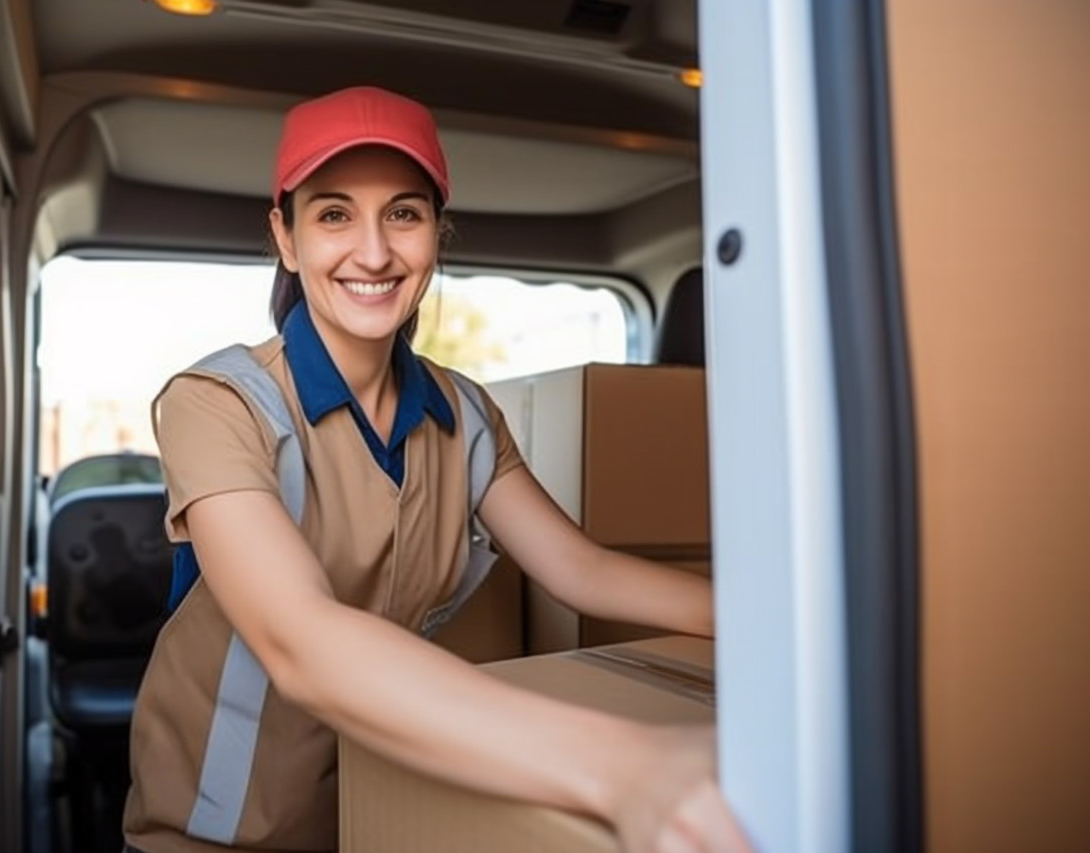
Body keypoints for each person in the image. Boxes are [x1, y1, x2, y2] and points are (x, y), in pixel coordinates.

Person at [123, 86, 752, 853]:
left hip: (384, 818)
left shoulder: (467, 413)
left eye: (403, 213)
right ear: (284, 238)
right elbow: (300, 639)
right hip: (216, 837)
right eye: (333, 214)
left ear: (436, 233)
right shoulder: (216, 403)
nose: (375, 251)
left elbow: (581, 569)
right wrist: (632, 768)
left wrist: (765, 632)